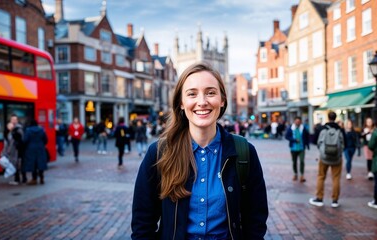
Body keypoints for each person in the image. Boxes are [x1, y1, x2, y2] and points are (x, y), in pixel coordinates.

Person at [131, 62, 268, 239]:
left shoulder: (244, 152)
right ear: (181, 102)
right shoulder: (158, 153)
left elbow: (255, 220)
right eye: (192, 94)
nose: (202, 102)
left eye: (211, 93)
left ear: (222, 99)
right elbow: (143, 223)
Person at [309, 111, 345, 208]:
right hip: (337, 158)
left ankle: (319, 198)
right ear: (335, 118)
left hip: (324, 157)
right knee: (336, 178)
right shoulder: (340, 129)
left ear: (328, 118)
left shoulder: (322, 128)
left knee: (321, 176)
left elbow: (316, 141)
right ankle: (335, 200)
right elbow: (343, 143)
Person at [285, 117, 310, 182]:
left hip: (301, 148)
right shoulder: (291, 128)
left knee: (302, 161)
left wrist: (307, 145)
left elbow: (307, 136)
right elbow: (287, 136)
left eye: (299, 121)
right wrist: (294, 140)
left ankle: (302, 175)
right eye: (296, 121)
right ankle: (295, 174)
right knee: (294, 162)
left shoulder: (303, 128)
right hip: (293, 148)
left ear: (300, 122)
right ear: (294, 122)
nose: (298, 123)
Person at [23, 119, 48, 185]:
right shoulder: (41, 130)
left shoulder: (28, 130)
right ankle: (42, 177)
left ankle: (34, 179)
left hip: (30, 149)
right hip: (40, 148)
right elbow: (45, 139)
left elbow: (25, 140)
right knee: (40, 163)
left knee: (33, 163)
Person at [10, 114, 27, 184]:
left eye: (14, 120)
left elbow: (22, 138)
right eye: (12, 120)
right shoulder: (13, 128)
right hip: (16, 149)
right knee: (17, 163)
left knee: (18, 163)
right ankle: (20, 178)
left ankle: (20, 178)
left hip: (18, 149)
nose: (13, 121)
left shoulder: (18, 128)